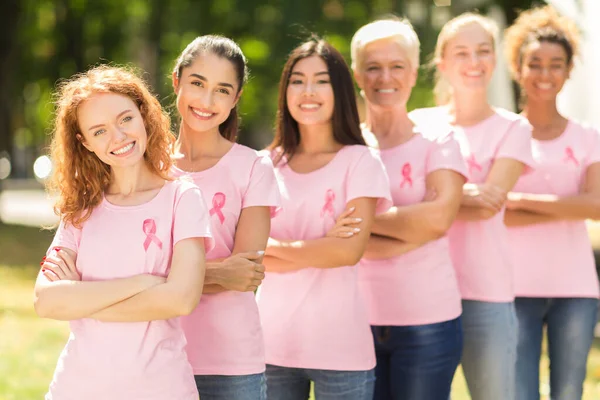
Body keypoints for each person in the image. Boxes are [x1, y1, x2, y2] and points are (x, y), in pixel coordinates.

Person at [34, 65, 213, 400]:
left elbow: (181, 298)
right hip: (77, 388)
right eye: (99, 131)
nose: (118, 137)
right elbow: (45, 301)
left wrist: (80, 300)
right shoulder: (81, 210)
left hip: (161, 389)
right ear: (84, 142)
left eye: (125, 119)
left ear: (144, 116)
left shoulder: (182, 198)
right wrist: (144, 284)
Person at [256, 38, 392, 400]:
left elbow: (348, 253)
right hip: (270, 346)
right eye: (297, 80)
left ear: (340, 91)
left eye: (321, 80)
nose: (308, 91)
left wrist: (272, 248)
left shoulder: (361, 161)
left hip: (341, 350)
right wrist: (323, 246)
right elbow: (248, 259)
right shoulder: (262, 165)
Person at [410, 13, 535, 400]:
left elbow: (489, 203)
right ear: (443, 63)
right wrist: (458, 196)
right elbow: (403, 196)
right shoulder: (419, 124)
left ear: (495, 60)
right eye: (462, 52)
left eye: (483, 51)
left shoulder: (514, 128)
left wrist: (433, 198)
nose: (474, 61)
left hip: (486, 294)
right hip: (422, 290)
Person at [350, 18, 467, 400]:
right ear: (356, 74)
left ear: (414, 72)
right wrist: (409, 230)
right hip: (353, 322)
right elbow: (327, 231)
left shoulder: (439, 139)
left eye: (397, 65)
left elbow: (438, 219)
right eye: (373, 66)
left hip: (427, 323)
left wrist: (360, 229)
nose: (385, 77)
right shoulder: (344, 148)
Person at [170, 35, 280, 400]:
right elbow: (130, 266)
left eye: (221, 90)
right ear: (176, 81)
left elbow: (245, 274)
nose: (205, 101)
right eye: (197, 83)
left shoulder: (253, 168)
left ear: (235, 99)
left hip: (231, 363)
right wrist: (218, 272)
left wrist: (165, 281)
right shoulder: (146, 169)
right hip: (158, 357)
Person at [504, 6, 600, 399]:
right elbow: (496, 214)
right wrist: (567, 205)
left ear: (568, 70)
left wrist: (523, 200)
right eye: (535, 64)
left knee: (568, 393)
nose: (545, 74)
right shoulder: (503, 133)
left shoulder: (587, 136)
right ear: (518, 67)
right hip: (513, 288)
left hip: (575, 288)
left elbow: (595, 207)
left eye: (555, 65)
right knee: (520, 394)